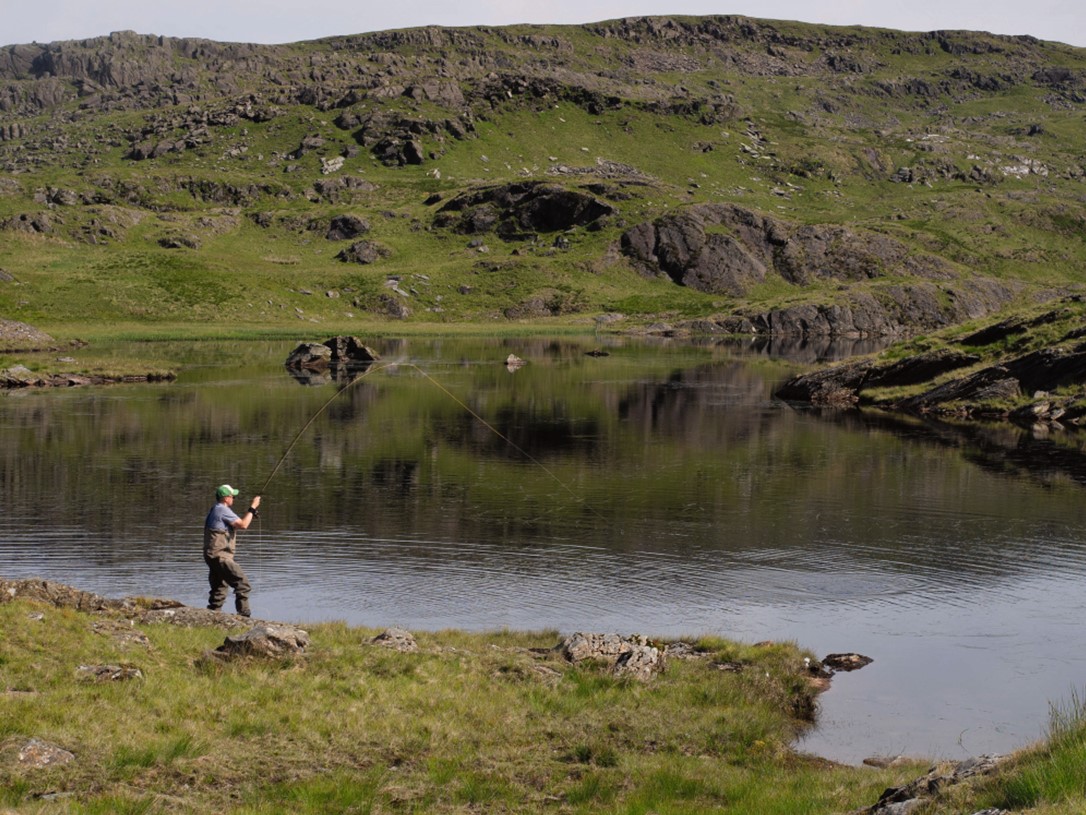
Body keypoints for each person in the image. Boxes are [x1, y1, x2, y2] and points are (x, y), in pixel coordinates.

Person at [203, 484, 262, 617]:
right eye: (232, 496)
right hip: (220, 556)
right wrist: (253, 507)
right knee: (242, 584)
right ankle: (244, 616)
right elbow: (243, 524)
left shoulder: (215, 509)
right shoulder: (221, 510)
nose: (233, 498)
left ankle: (211, 615)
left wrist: (251, 513)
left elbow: (238, 523)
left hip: (212, 556)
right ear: (225, 498)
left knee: (219, 588)